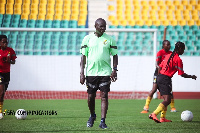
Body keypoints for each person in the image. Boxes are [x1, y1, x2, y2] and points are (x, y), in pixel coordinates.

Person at [80, 18, 118, 129]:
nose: (103, 28)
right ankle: (92, 115)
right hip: (91, 72)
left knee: (104, 96)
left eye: (105, 26)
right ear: (96, 26)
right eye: (101, 26)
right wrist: (81, 73)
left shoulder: (110, 39)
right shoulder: (87, 39)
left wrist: (115, 69)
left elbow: (115, 55)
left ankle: (102, 121)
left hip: (105, 72)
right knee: (91, 96)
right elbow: (83, 57)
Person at [149, 41, 197, 123]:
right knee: (167, 100)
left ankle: (163, 118)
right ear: (180, 49)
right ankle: (154, 114)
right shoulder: (178, 59)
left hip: (159, 77)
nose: (183, 51)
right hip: (165, 78)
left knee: (166, 98)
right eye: (183, 50)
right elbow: (181, 74)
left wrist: (159, 78)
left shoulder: (167, 56)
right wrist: (191, 76)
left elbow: (159, 67)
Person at [141, 40, 177, 113]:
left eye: (169, 44)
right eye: (167, 45)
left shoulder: (171, 53)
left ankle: (172, 107)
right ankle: (146, 106)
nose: (169, 46)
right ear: (163, 45)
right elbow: (156, 64)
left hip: (166, 74)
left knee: (169, 91)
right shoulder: (160, 53)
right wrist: (160, 70)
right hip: (158, 73)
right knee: (154, 89)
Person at [0, 35, 17, 119]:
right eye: (3, 42)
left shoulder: (10, 50)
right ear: (0, 43)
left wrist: (9, 61)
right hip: (0, 73)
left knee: (2, 94)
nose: (5, 43)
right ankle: (0, 112)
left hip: (7, 73)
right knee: (1, 92)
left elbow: (14, 61)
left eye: (6, 42)